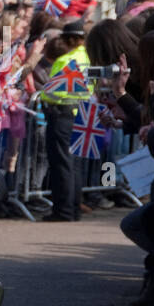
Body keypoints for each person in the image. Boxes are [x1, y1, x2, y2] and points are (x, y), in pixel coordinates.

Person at [40, 18, 92, 221]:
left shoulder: (66, 60)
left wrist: (42, 93)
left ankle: (63, 211)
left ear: (70, 39)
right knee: (74, 165)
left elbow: (52, 92)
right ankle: (74, 208)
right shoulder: (87, 57)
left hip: (62, 115)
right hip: (81, 114)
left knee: (62, 164)